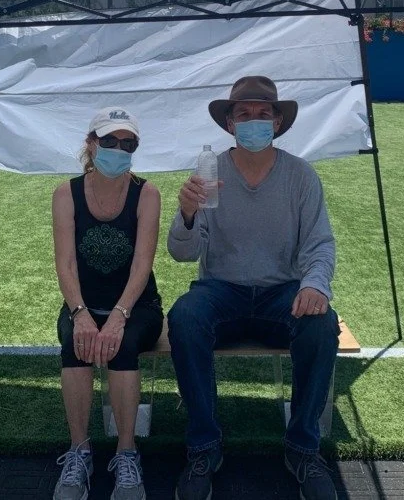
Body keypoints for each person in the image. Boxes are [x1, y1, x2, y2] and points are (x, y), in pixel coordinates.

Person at [167, 76, 340, 500]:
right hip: (220, 290)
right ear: (229, 124)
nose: (254, 122)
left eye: (264, 114)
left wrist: (315, 285)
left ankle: (302, 449)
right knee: (185, 315)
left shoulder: (300, 176)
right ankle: (204, 448)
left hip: (281, 292)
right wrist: (186, 214)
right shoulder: (208, 173)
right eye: (243, 115)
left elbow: (320, 243)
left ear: (279, 122)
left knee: (323, 323)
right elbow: (182, 253)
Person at [51, 107, 164, 500]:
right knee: (74, 345)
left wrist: (118, 317)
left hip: (137, 306)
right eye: (110, 141)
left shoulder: (147, 194)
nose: (118, 149)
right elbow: (64, 262)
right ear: (91, 143)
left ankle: (127, 454)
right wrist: (80, 314)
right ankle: (79, 451)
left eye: (127, 143)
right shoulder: (65, 193)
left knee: (124, 346)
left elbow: (142, 265)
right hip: (83, 304)